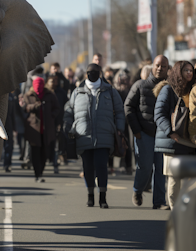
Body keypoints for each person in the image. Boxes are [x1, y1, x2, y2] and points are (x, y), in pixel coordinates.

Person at [64, 63, 125, 208]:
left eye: (95, 72)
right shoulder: (77, 92)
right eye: (90, 72)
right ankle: (90, 195)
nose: (92, 74)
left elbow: (120, 111)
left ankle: (103, 198)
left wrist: (119, 129)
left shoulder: (109, 90)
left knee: (101, 166)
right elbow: (69, 110)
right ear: (86, 74)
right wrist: (68, 127)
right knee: (88, 168)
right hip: (83, 136)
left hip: (104, 136)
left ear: (100, 73)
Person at [125, 55, 169, 209]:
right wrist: (136, 130)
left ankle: (159, 201)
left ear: (167, 68)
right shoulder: (140, 85)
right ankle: (138, 189)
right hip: (144, 133)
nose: (159, 68)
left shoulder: (170, 88)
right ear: (152, 66)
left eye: (163, 66)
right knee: (145, 166)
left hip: (163, 135)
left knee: (161, 169)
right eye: (157, 65)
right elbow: (128, 107)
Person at [153, 61, 196, 210]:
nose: (189, 73)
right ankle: (175, 210)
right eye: (186, 70)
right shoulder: (168, 89)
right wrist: (170, 132)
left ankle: (186, 209)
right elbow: (159, 114)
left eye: (191, 70)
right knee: (173, 179)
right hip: (173, 142)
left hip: (189, 142)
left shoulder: (194, 90)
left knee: (189, 179)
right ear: (178, 71)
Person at [22, 77, 60, 182]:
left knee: (45, 152)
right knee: (35, 152)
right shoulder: (28, 95)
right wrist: (34, 107)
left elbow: (57, 108)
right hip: (34, 130)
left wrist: (52, 115)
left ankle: (41, 171)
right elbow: (25, 108)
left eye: (40, 84)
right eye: (36, 85)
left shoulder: (50, 95)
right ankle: (37, 174)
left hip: (47, 129)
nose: (38, 87)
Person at [114, 69, 133, 174]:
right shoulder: (116, 90)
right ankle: (124, 165)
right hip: (121, 118)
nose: (124, 81)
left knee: (125, 143)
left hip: (126, 119)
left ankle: (127, 165)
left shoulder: (129, 89)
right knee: (121, 142)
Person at [2, 92, 16, 172]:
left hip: (8, 125)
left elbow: (13, 113)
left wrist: (14, 128)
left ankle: (7, 164)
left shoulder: (11, 97)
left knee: (8, 146)